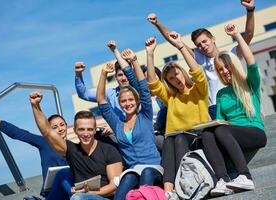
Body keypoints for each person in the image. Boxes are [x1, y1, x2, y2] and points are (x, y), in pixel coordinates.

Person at [147, 0, 255, 119]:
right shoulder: (199, 58)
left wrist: (250, 10)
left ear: (213, 39)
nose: (202, 46)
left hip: (234, 101)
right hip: (212, 108)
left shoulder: (231, 56)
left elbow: (248, 35)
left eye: (204, 41)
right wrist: (157, 23)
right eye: (198, 45)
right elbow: (173, 41)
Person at [201, 24, 267, 197]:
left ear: (234, 66)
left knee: (221, 130)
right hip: (230, 133)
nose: (224, 72)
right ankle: (223, 180)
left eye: (226, 67)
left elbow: (251, 62)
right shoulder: (221, 94)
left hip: (254, 132)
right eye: (220, 69)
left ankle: (245, 176)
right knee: (207, 133)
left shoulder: (249, 84)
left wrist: (237, 35)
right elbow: (221, 121)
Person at [146, 34, 209, 196]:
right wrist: (150, 54)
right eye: (171, 78)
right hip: (175, 138)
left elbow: (198, 72)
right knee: (169, 140)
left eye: (177, 74)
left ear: (183, 72)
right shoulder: (171, 97)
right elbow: (153, 84)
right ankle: (168, 191)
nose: (176, 79)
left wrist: (181, 46)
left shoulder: (198, 90)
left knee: (178, 138)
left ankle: (183, 183)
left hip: (197, 135)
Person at [29, 91, 123, 200]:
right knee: (64, 174)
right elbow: (47, 131)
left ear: (94, 131)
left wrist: (90, 193)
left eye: (90, 129)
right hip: (82, 195)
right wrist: (35, 105)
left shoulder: (109, 150)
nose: (86, 133)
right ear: (75, 131)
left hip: (104, 197)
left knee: (77, 198)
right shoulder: (72, 150)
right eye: (81, 129)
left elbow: (114, 187)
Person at [96, 49, 163, 200]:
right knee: (128, 178)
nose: (128, 103)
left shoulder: (145, 115)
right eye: (124, 101)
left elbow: (144, 88)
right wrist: (103, 74)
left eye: (131, 100)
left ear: (137, 101)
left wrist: (134, 61)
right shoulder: (118, 125)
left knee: (145, 174)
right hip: (132, 170)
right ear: (120, 104)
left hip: (153, 168)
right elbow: (101, 100)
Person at [0, 113, 68, 198]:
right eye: (55, 127)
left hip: (71, 187)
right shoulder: (44, 142)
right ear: (48, 130)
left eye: (62, 124)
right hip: (53, 191)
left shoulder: (73, 146)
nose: (60, 129)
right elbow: (18, 133)